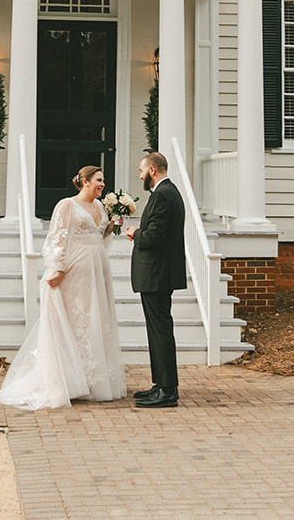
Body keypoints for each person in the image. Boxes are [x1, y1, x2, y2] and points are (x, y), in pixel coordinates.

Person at [0, 165, 126, 410]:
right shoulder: (67, 205)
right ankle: (70, 381)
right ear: (84, 181)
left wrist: (110, 227)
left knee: (94, 320)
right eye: (98, 180)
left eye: (103, 180)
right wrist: (58, 268)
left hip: (98, 269)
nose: (103, 184)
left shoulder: (100, 207)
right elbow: (58, 238)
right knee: (76, 321)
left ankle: (92, 381)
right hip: (75, 271)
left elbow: (100, 239)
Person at [124, 151, 185, 408]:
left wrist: (135, 233)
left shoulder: (162, 195)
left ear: (152, 170)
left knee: (160, 331)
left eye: (141, 170)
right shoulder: (169, 192)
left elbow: (154, 236)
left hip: (157, 274)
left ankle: (168, 390)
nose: (140, 175)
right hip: (159, 274)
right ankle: (160, 384)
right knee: (158, 330)